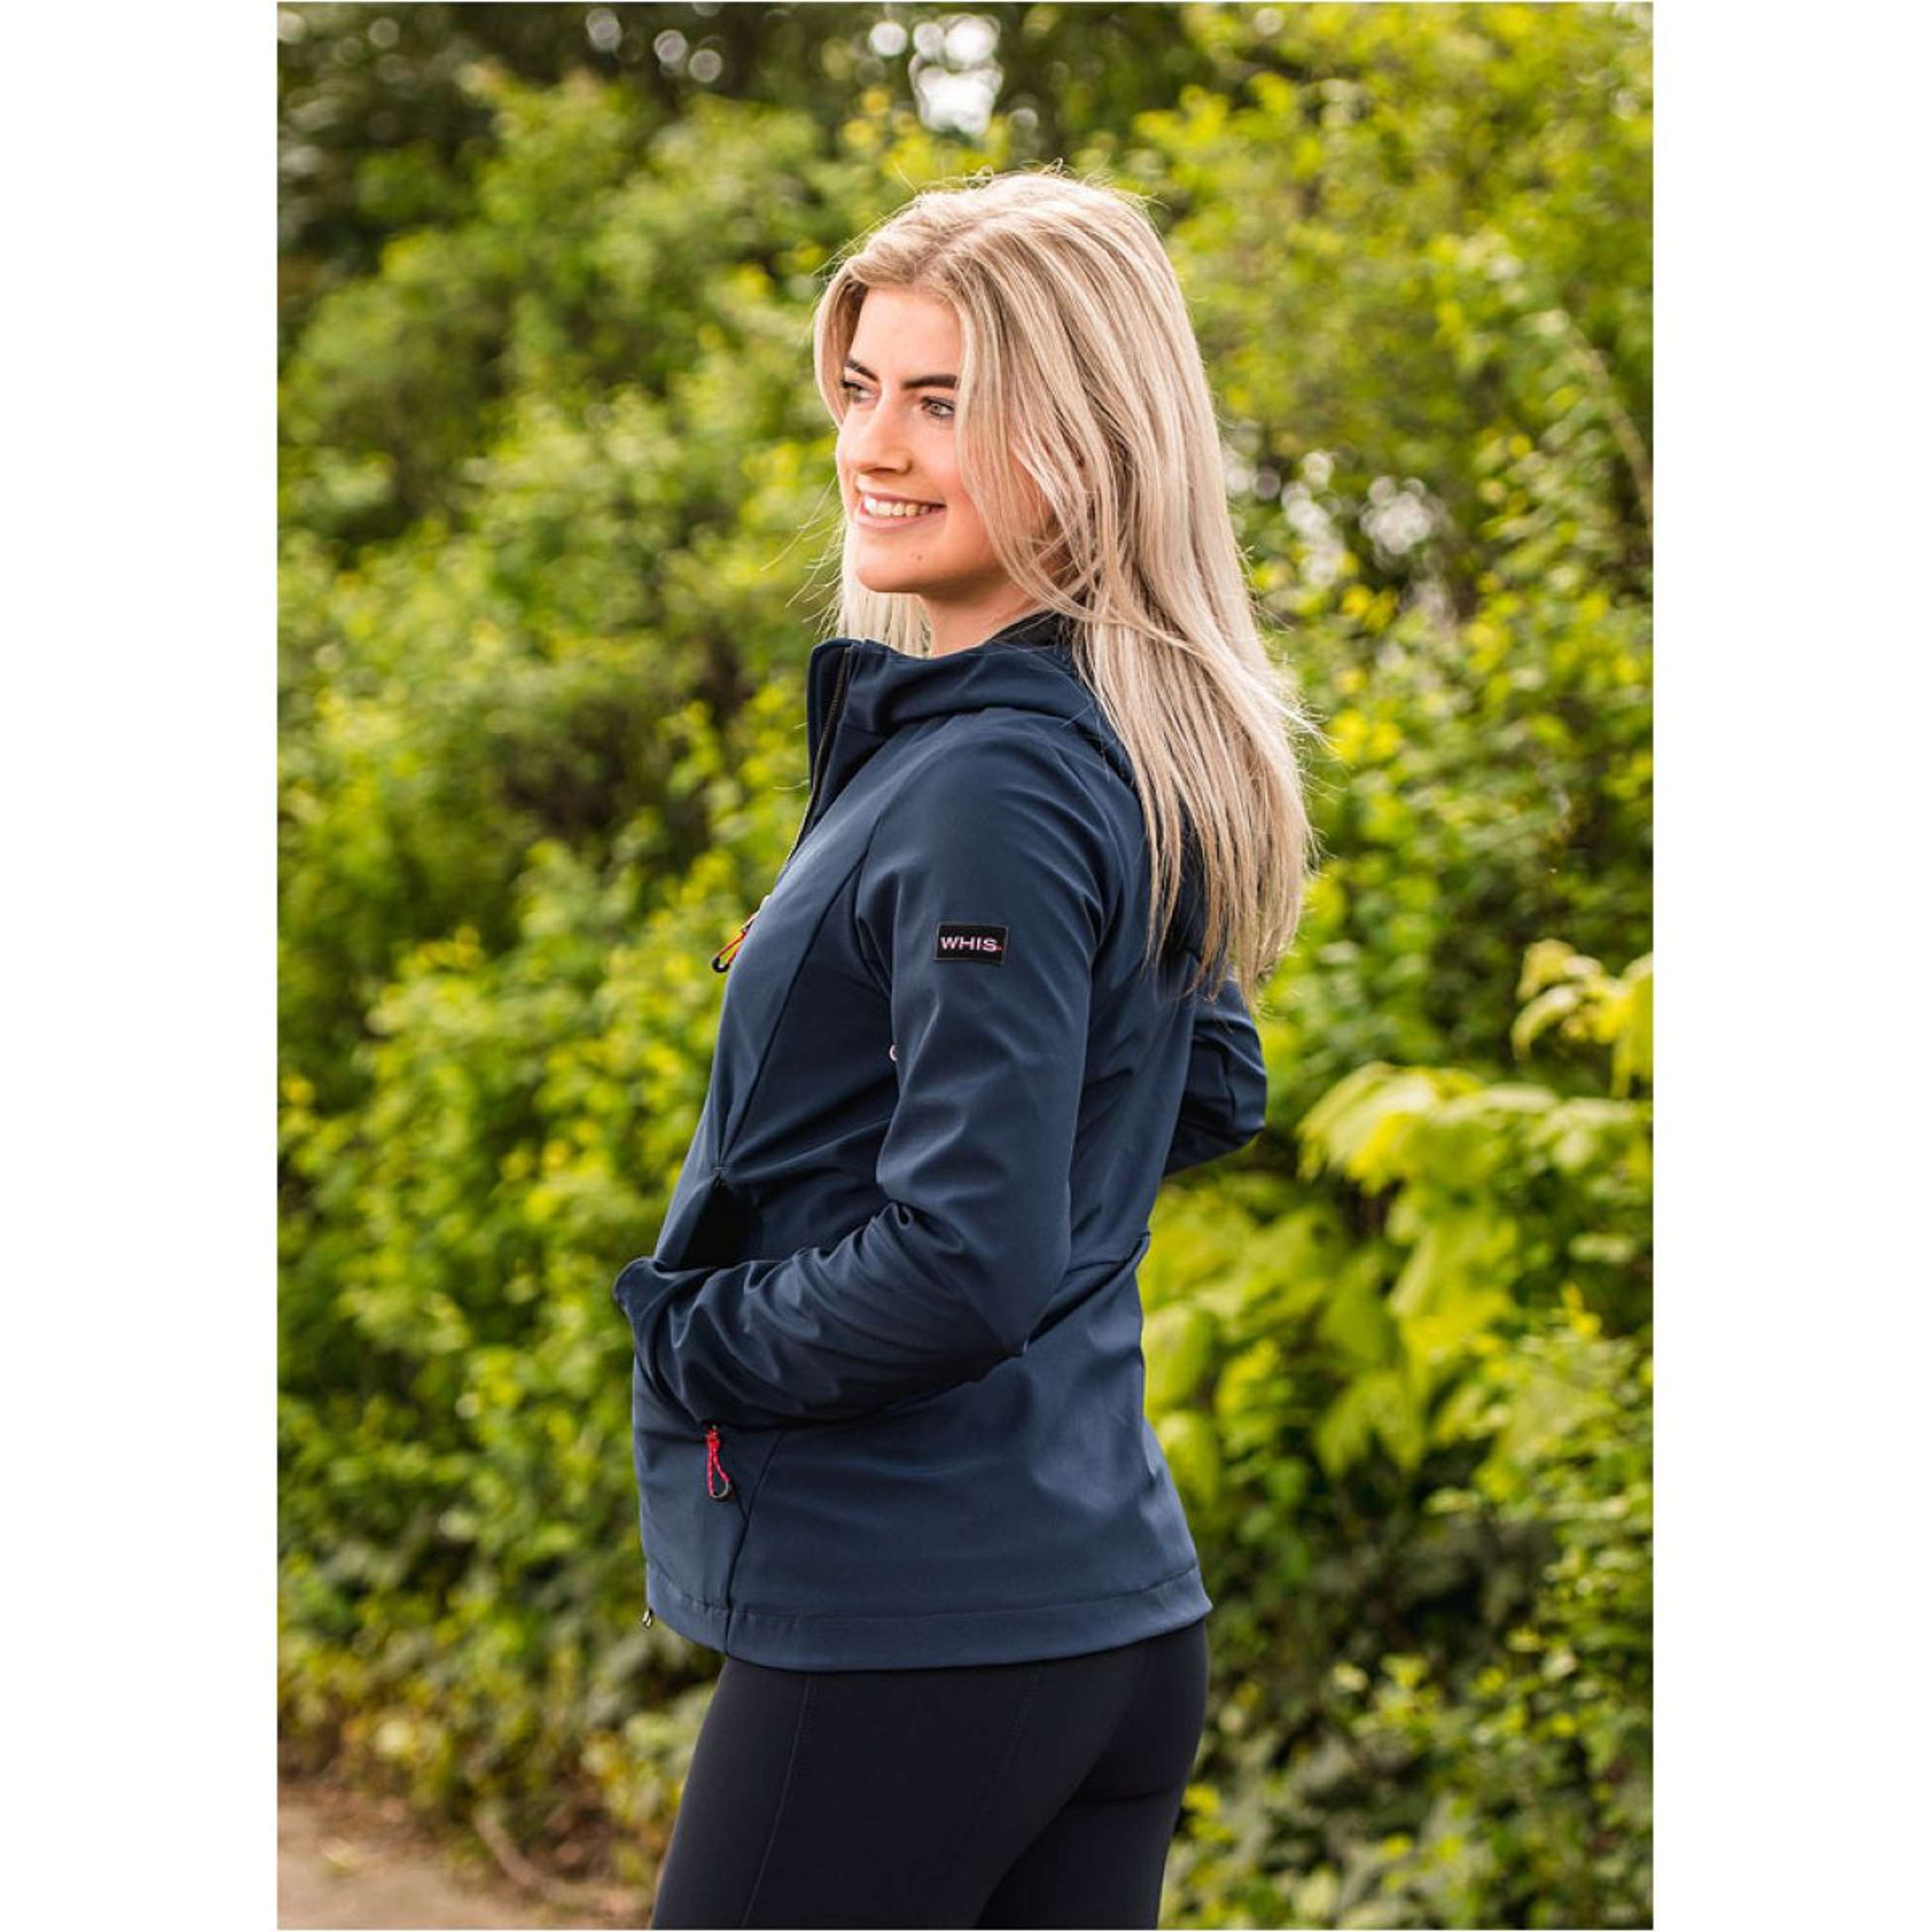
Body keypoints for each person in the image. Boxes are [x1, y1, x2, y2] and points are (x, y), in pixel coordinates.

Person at [612, 164, 1316, 1929]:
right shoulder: (1103, 743)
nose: (876, 445)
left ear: (1086, 437)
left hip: (919, 1631)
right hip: (1096, 1610)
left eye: (944, 402)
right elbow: (1201, 1088)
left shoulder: (993, 779)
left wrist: (699, 1335)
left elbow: (962, 1256)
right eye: (863, 388)